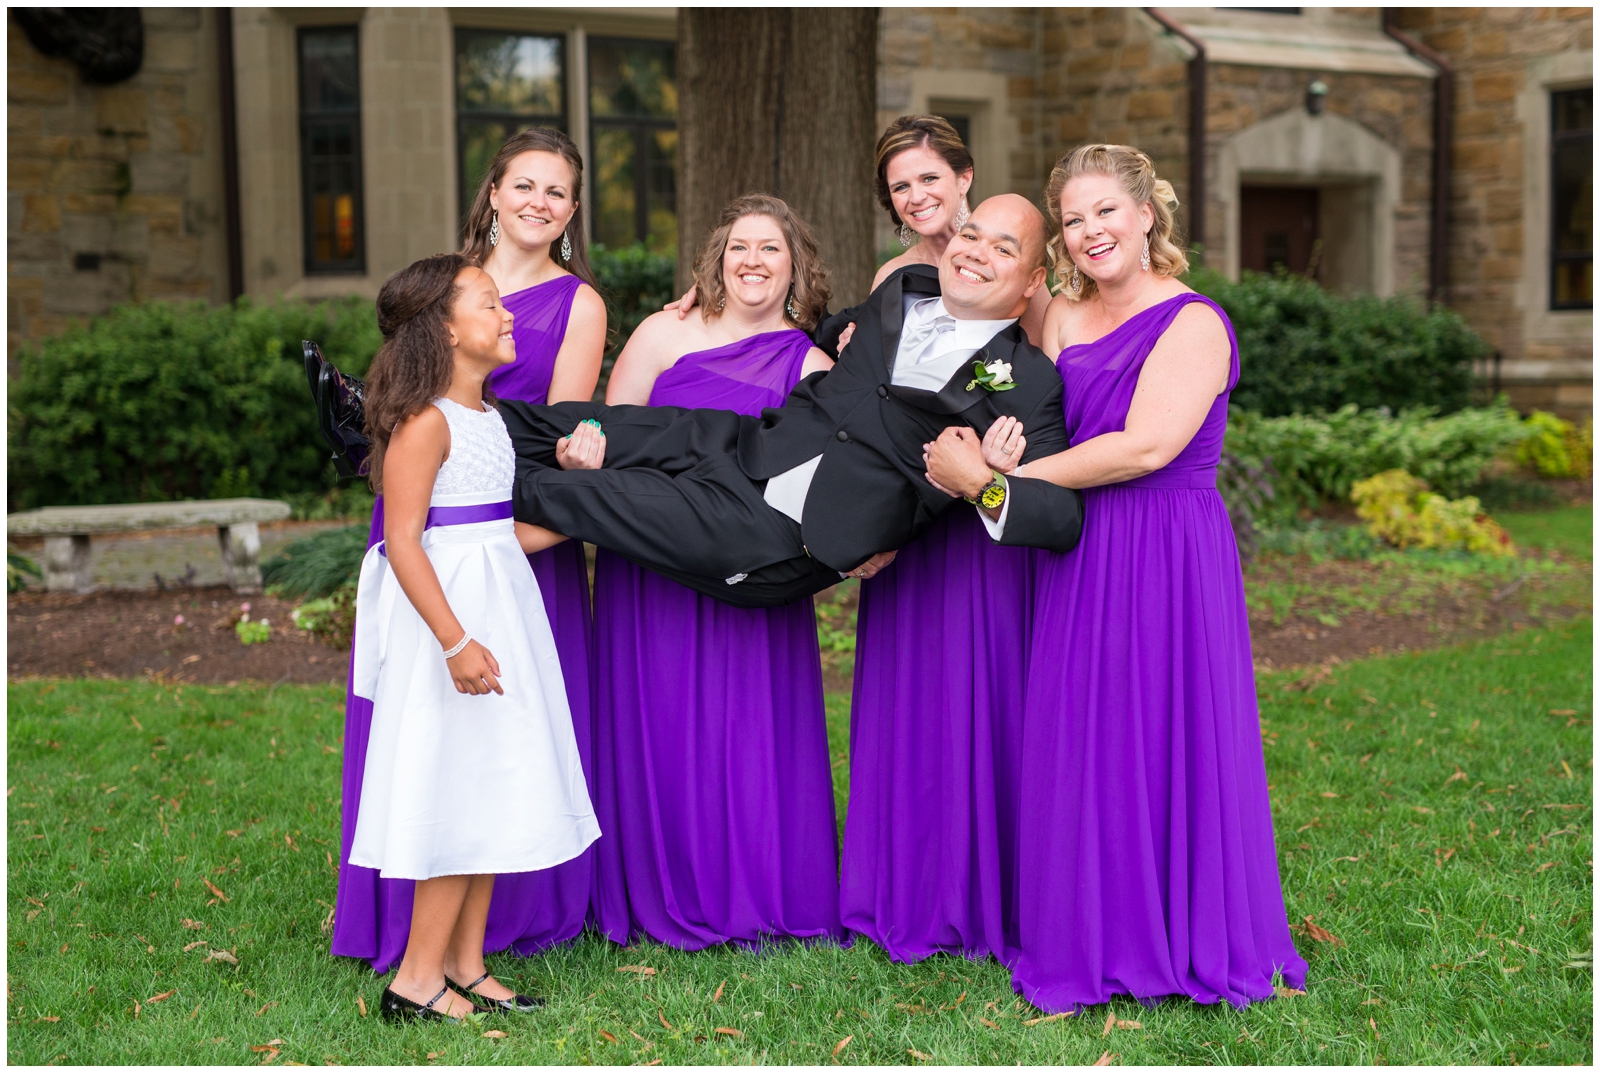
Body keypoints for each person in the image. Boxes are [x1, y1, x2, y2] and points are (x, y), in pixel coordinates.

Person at [925, 144, 1306, 1013]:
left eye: (1105, 212)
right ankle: (1094, 929)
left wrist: (1001, 484)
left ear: (1146, 217)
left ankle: (1177, 931)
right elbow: (978, 328)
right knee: (1084, 734)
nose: (1090, 230)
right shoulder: (1060, 317)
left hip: (1168, 549)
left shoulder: (1195, 321)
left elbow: (1146, 445)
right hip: (1079, 546)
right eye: (1073, 219)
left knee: (1165, 730)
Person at [498, 194, 1086, 610]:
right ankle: (433, 429)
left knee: (576, 493)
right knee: (582, 423)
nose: (977, 252)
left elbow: (1061, 519)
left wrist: (980, 482)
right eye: (971, 234)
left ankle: (427, 496)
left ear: (1033, 282)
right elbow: (809, 321)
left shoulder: (1027, 384)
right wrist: (722, 285)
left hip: (783, 533)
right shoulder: (901, 291)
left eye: (1003, 250)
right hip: (745, 443)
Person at [333, 128, 607, 979]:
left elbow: (555, 433)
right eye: (525, 183)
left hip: (506, 543)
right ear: (493, 190)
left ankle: (473, 953)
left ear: (571, 210)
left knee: (499, 754)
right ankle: (418, 957)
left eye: (558, 191)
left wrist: (598, 492)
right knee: (433, 751)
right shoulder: (445, 297)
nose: (539, 202)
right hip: (439, 560)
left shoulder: (574, 308)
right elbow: (411, 500)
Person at [588, 194, 842, 948]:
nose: (754, 261)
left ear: (795, 266)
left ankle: (751, 885)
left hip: (747, 573)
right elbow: (609, 430)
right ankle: (650, 883)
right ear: (716, 260)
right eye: (740, 247)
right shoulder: (665, 332)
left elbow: (811, 487)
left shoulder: (814, 364)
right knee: (657, 718)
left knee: (746, 729)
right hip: (652, 565)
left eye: (771, 248)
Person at [834, 120, 1042, 962]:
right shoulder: (894, 279)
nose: (918, 198)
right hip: (903, 521)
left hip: (979, 518)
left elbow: (1035, 399)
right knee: (909, 699)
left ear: (964, 178)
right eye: (900, 188)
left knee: (983, 697)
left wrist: (989, 473)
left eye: (930, 179)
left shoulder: (1022, 271)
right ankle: (905, 885)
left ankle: (990, 894)